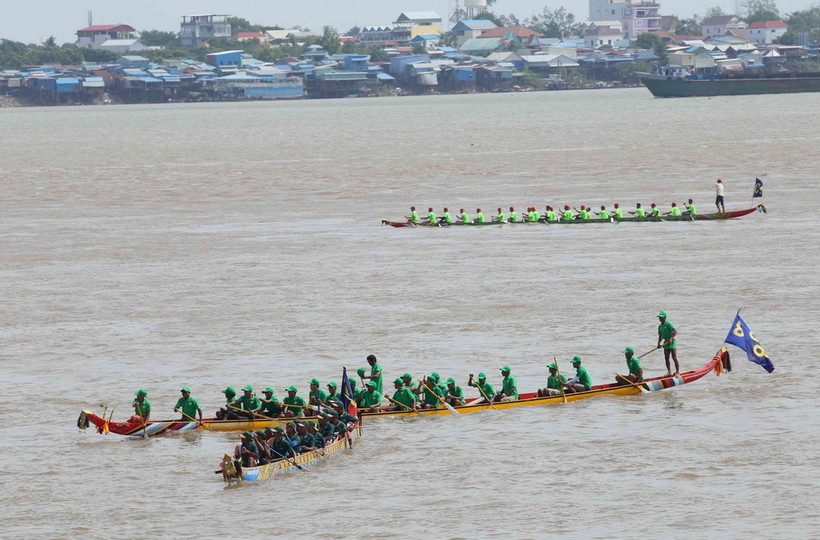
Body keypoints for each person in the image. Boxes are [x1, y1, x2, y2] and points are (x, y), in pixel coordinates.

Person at [657, 311, 680, 375]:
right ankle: (669, 371)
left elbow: (675, 330)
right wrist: (658, 344)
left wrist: (671, 338)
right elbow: (660, 336)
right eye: (659, 317)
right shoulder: (660, 326)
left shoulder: (668, 324)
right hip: (665, 343)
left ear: (665, 317)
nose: (660, 318)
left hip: (672, 342)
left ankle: (677, 372)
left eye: (661, 317)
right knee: (666, 358)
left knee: (674, 357)